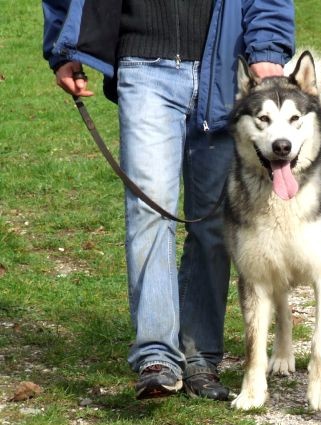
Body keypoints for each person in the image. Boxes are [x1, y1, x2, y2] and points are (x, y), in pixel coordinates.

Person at [42, 0, 295, 401]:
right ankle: (156, 356)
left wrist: (266, 49)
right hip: (142, 67)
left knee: (213, 224)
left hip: (223, 67)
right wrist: (64, 46)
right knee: (148, 210)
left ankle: (200, 359)